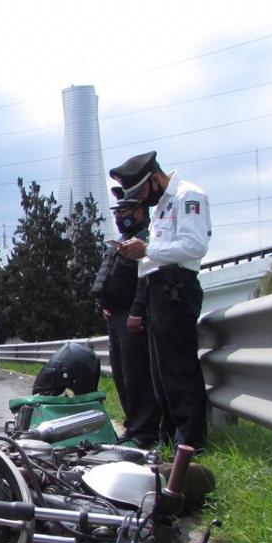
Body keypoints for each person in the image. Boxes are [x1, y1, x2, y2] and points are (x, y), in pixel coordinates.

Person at [113, 150, 212, 450]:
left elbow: (195, 246)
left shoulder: (188, 196)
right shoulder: (161, 206)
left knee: (178, 370)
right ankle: (169, 440)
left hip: (176, 288)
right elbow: (155, 254)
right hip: (158, 290)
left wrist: (147, 251)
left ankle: (190, 443)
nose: (142, 199)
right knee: (160, 374)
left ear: (154, 178)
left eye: (142, 192)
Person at [92, 198, 161, 447]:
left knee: (137, 376)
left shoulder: (146, 239)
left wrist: (137, 310)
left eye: (125, 211)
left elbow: (146, 278)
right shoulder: (122, 240)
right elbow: (108, 276)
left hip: (132, 315)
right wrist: (102, 306)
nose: (120, 216)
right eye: (117, 211)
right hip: (115, 315)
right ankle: (133, 426)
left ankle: (145, 431)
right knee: (122, 376)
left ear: (140, 211)